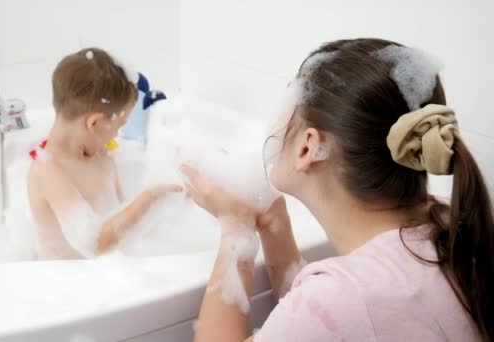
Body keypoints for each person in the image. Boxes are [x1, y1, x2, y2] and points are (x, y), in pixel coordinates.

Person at [184, 38, 493, 341]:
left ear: (309, 147)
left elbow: (334, 309)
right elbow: (329, 320)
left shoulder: (345, 295)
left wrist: (234, 228)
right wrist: (274, 227)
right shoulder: (447, 224)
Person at [28, 47, 181, 259]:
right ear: (95, 123)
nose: (116, 135)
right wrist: (150, 195)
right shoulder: (47, 171)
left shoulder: (100, 156)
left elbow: (121, 215)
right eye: (119, 126)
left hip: (106, 270)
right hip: (64, 284)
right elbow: (92, 242)